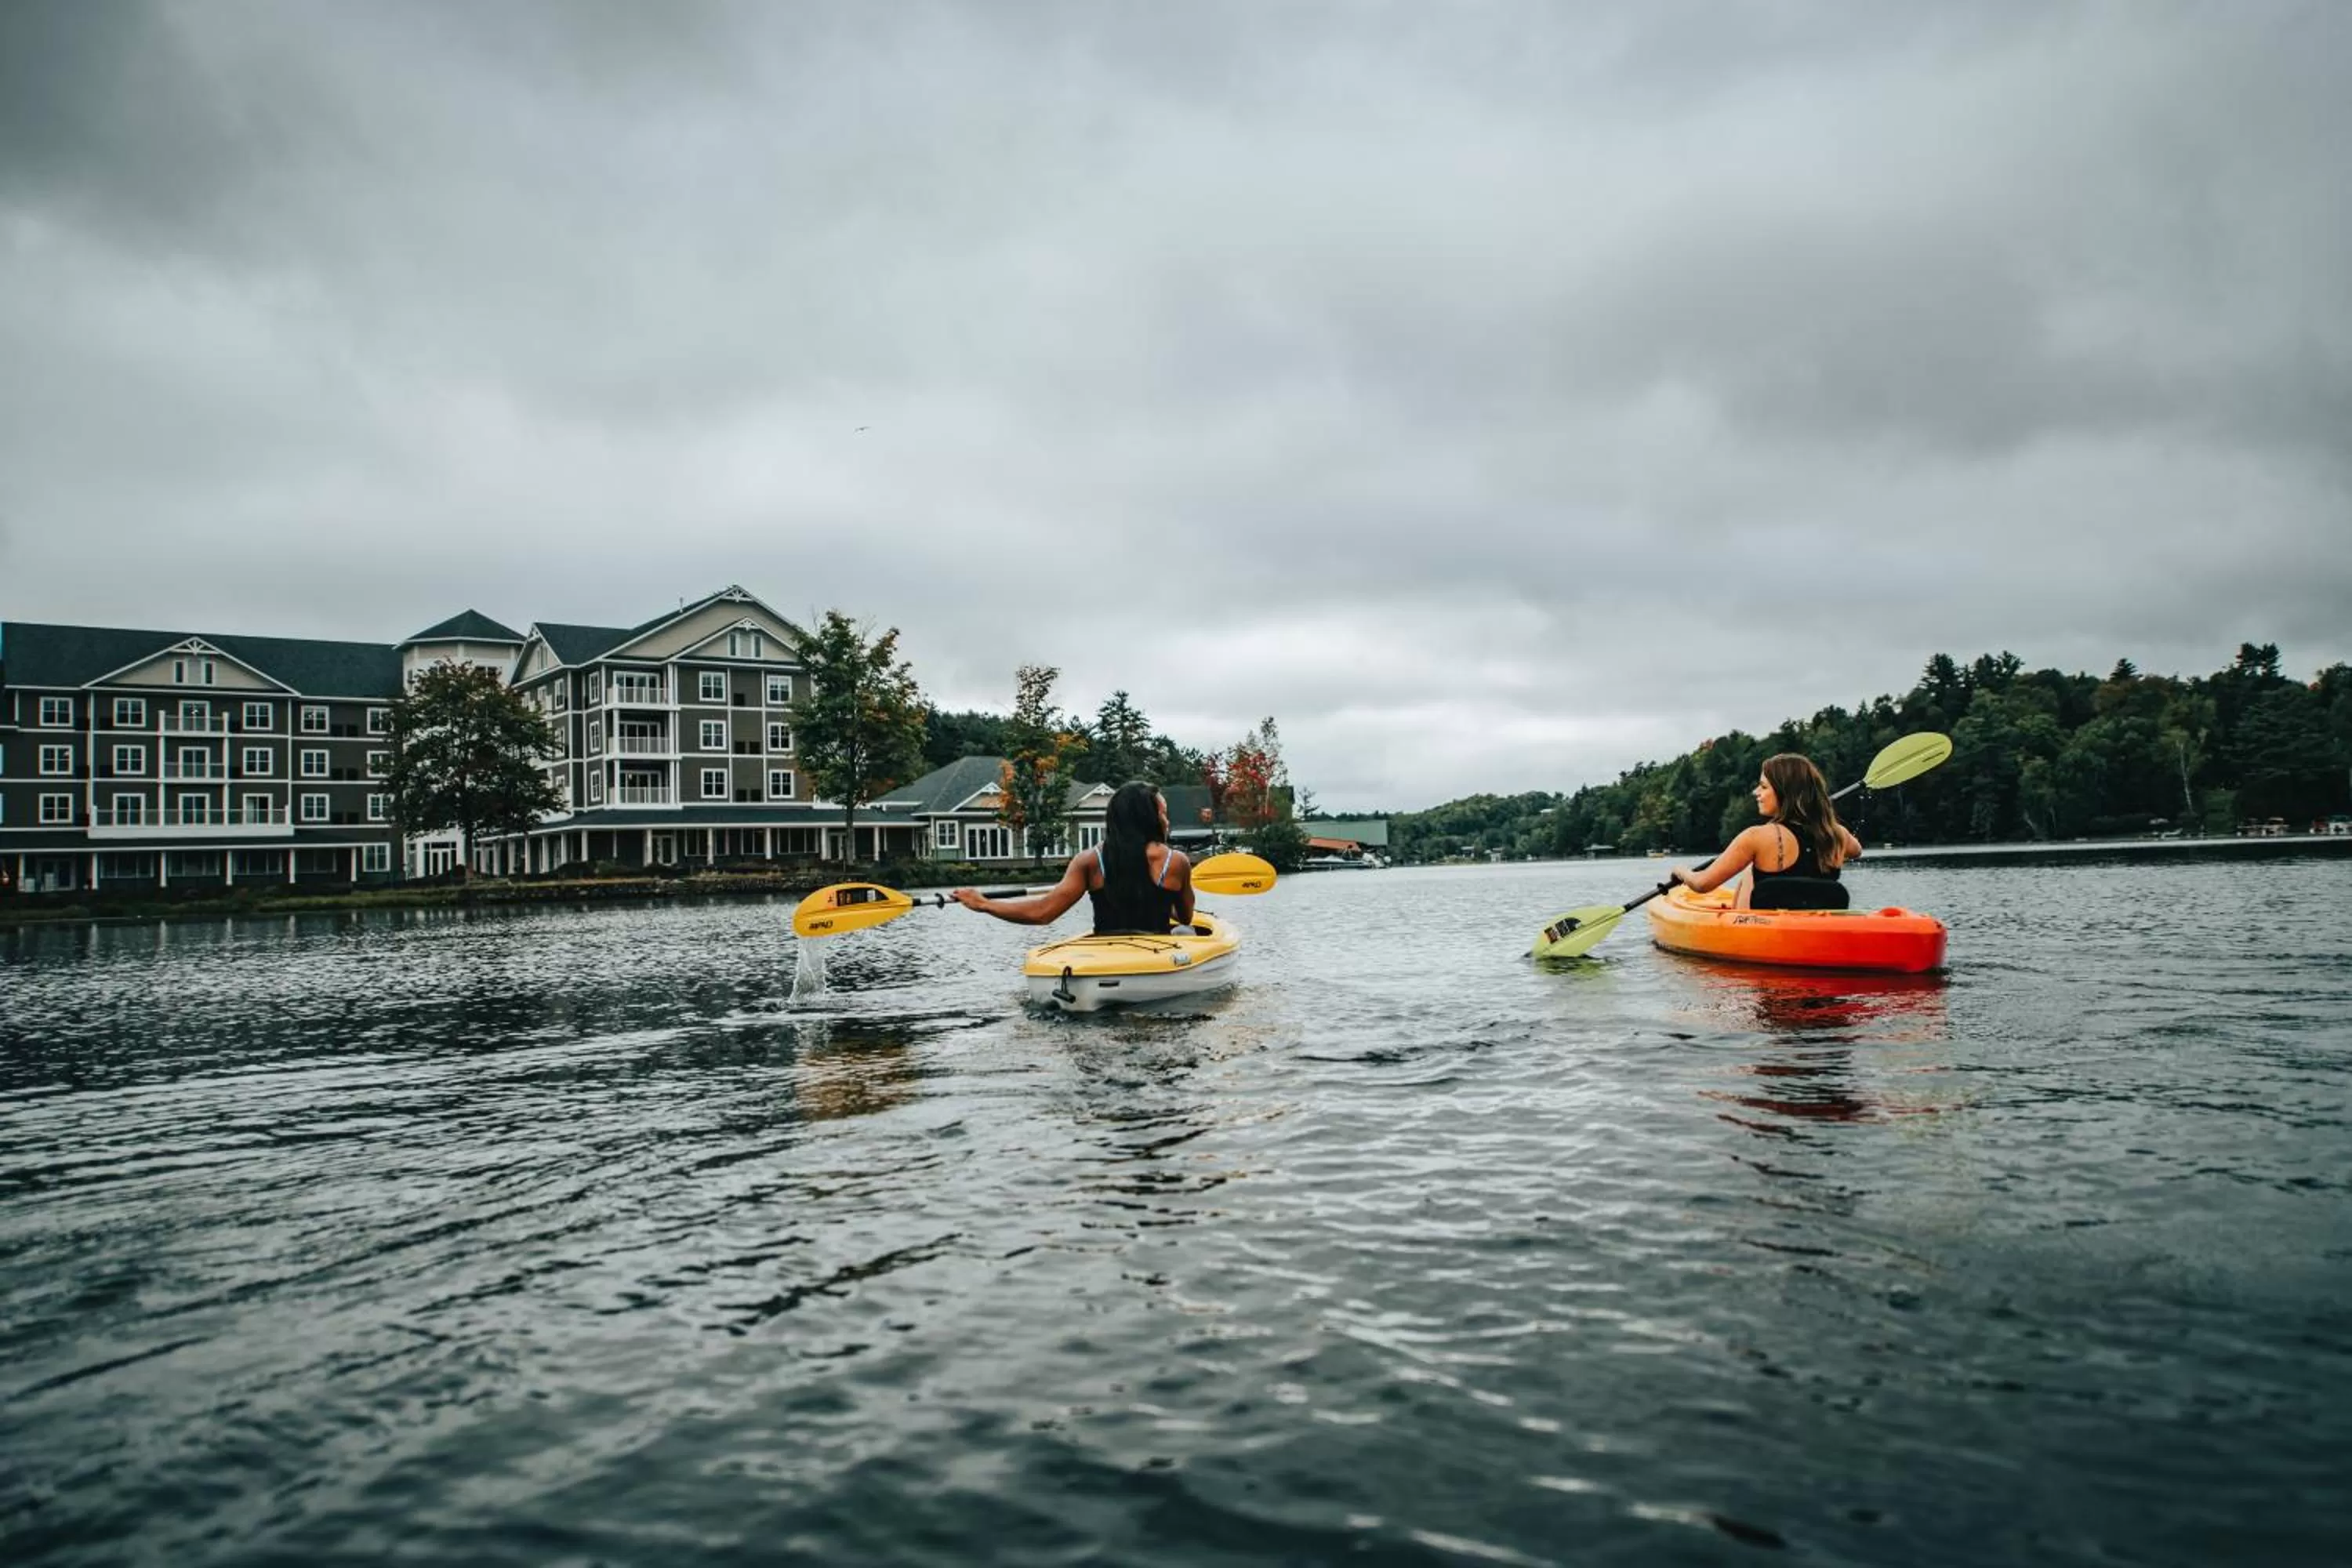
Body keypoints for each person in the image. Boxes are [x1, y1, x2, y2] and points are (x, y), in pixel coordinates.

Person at [952, 780, 1195, 934]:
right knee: (1186, 933)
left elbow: (1043, 912)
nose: (1167, 820)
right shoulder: (1176, 861)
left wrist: (984, 904)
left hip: (1105, 957)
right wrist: (1162, 904)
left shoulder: (1089, 860)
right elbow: (1185, 917)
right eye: (1164, 813)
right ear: (1149, 819)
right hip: (1156, 957)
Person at [1668, 753, 1864, 910]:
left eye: (1763, 786)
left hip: (1765, 935)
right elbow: (1856, 851)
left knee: (1750, 870)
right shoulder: (1836, 834)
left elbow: (1702, 884)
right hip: (1820, 928)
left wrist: (1682, 871)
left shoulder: (1757, 837)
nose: (1756, 792)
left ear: (1784, 793)